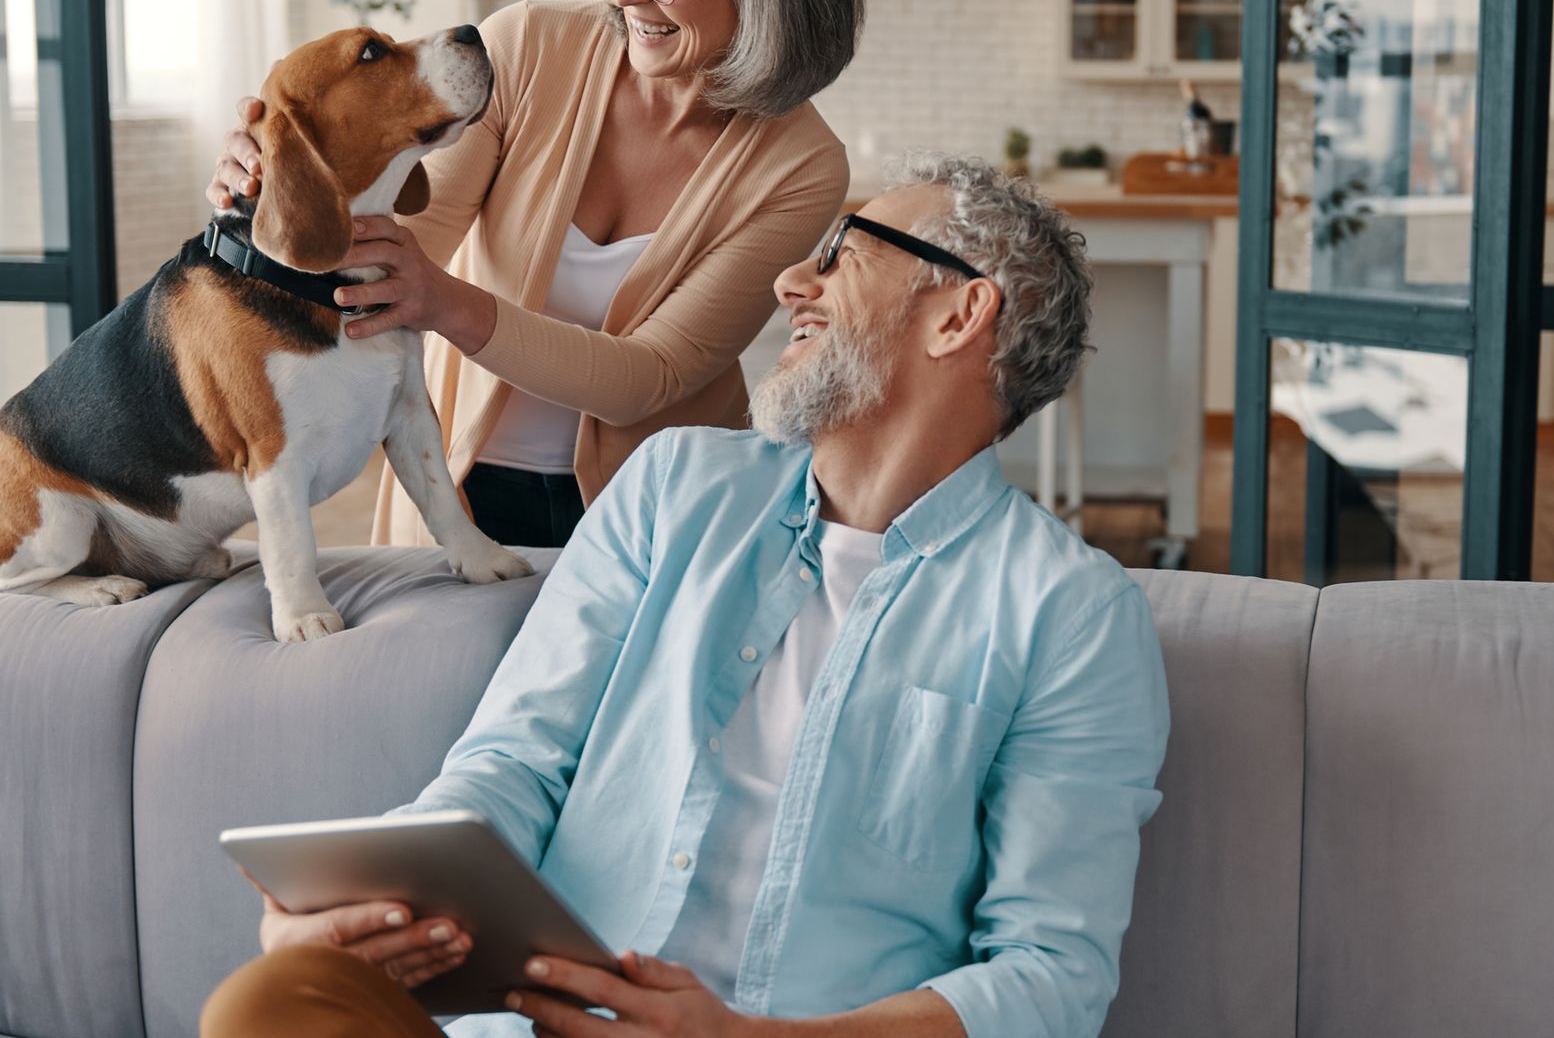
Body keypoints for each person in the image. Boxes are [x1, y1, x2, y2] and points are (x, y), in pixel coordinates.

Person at [199, 158, 1171, 1038]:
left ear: (959, 316)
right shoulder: (675, 487)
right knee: (274, 999)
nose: (793, 282)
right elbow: (516, 761)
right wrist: (378, 901)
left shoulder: (1070, 613)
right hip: (531, 1021)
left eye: (843, 254)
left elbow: (1051, 977)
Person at [207, 0, 864, 548]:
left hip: (656, 515)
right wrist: (279, 177)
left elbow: (650, 377)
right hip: (456, 481)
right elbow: (391, 242)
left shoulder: (802, 167)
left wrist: (446, 301)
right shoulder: (526, 46)